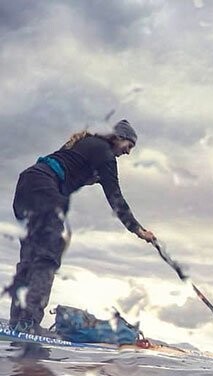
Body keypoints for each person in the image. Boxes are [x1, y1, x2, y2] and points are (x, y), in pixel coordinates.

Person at [6, 119, 155, 333]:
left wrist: (89, 178)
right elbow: (116, 199)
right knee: (48, 255)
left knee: (30, 258)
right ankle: (29, 323)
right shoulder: (105, 154)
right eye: (129, 146)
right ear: (118, 138)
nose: (128, 153)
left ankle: (17, 323)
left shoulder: (86, 143)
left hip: (27, 183)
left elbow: (67, 167)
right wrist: (138, 230)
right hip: (43, 188)